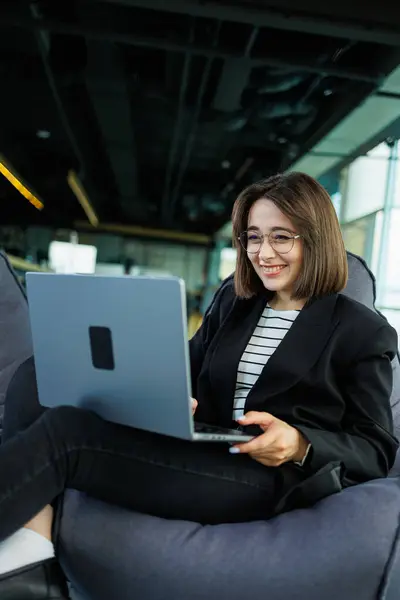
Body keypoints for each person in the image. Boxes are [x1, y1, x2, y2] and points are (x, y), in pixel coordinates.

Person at [0, 172, 398, 599]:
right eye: (253, 237)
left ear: (315, 239)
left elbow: (375, 449)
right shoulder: (236, 303)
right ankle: (29, 548)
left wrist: (300, 443)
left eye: (281, 237)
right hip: (203, 440)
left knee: (67, 436)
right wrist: (159, 395)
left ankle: (25, 560)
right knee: (36, 376)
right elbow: (184, 367)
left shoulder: (361, 331)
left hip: (265, 474)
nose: (264, 253)